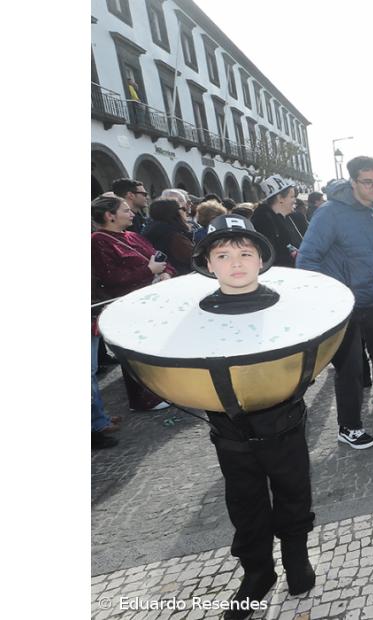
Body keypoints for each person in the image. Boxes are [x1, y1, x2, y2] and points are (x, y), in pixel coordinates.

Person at [189, 214, 318, 616]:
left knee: (293, 490)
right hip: (229, 429)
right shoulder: (197, 312)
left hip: (283, 419)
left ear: (262, 259)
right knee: (244, 502)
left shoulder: (285, 304)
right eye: (223, 255)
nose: (236, 263)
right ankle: (257, 572)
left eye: (246, 253)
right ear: (209, 264)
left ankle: (297, 558)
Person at [297, 156, 373, 450]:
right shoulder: (329, 213)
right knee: (350, 368)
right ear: (353, 182)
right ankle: (348, 427)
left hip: (370, 296)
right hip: (341, 304)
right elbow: (306, 259)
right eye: (368, 182)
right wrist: (328, 296)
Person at [91, 194, 174, 412]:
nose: (132, 213)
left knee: (156, 349)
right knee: (136, 353)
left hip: (154, 300)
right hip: (128, 306)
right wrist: (148, 271)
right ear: (110, 216)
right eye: (126, 210)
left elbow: (161, 260)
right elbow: (111, 278)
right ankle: (144, 399)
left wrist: (166, 274)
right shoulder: (98, 241)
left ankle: (164, 389)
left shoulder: (133, 235)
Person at [251, 176, 303, 269]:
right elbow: (270, 256)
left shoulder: (284, 218)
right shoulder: (263, 221)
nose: (295, 200)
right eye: (292, 197)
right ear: (280, 198)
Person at [141, 198, 195, 274]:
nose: (185, 211)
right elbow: (195, 257)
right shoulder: (175, 237)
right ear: (174, 213)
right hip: (180, 277)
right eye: (182, 208)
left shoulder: (149, 231)